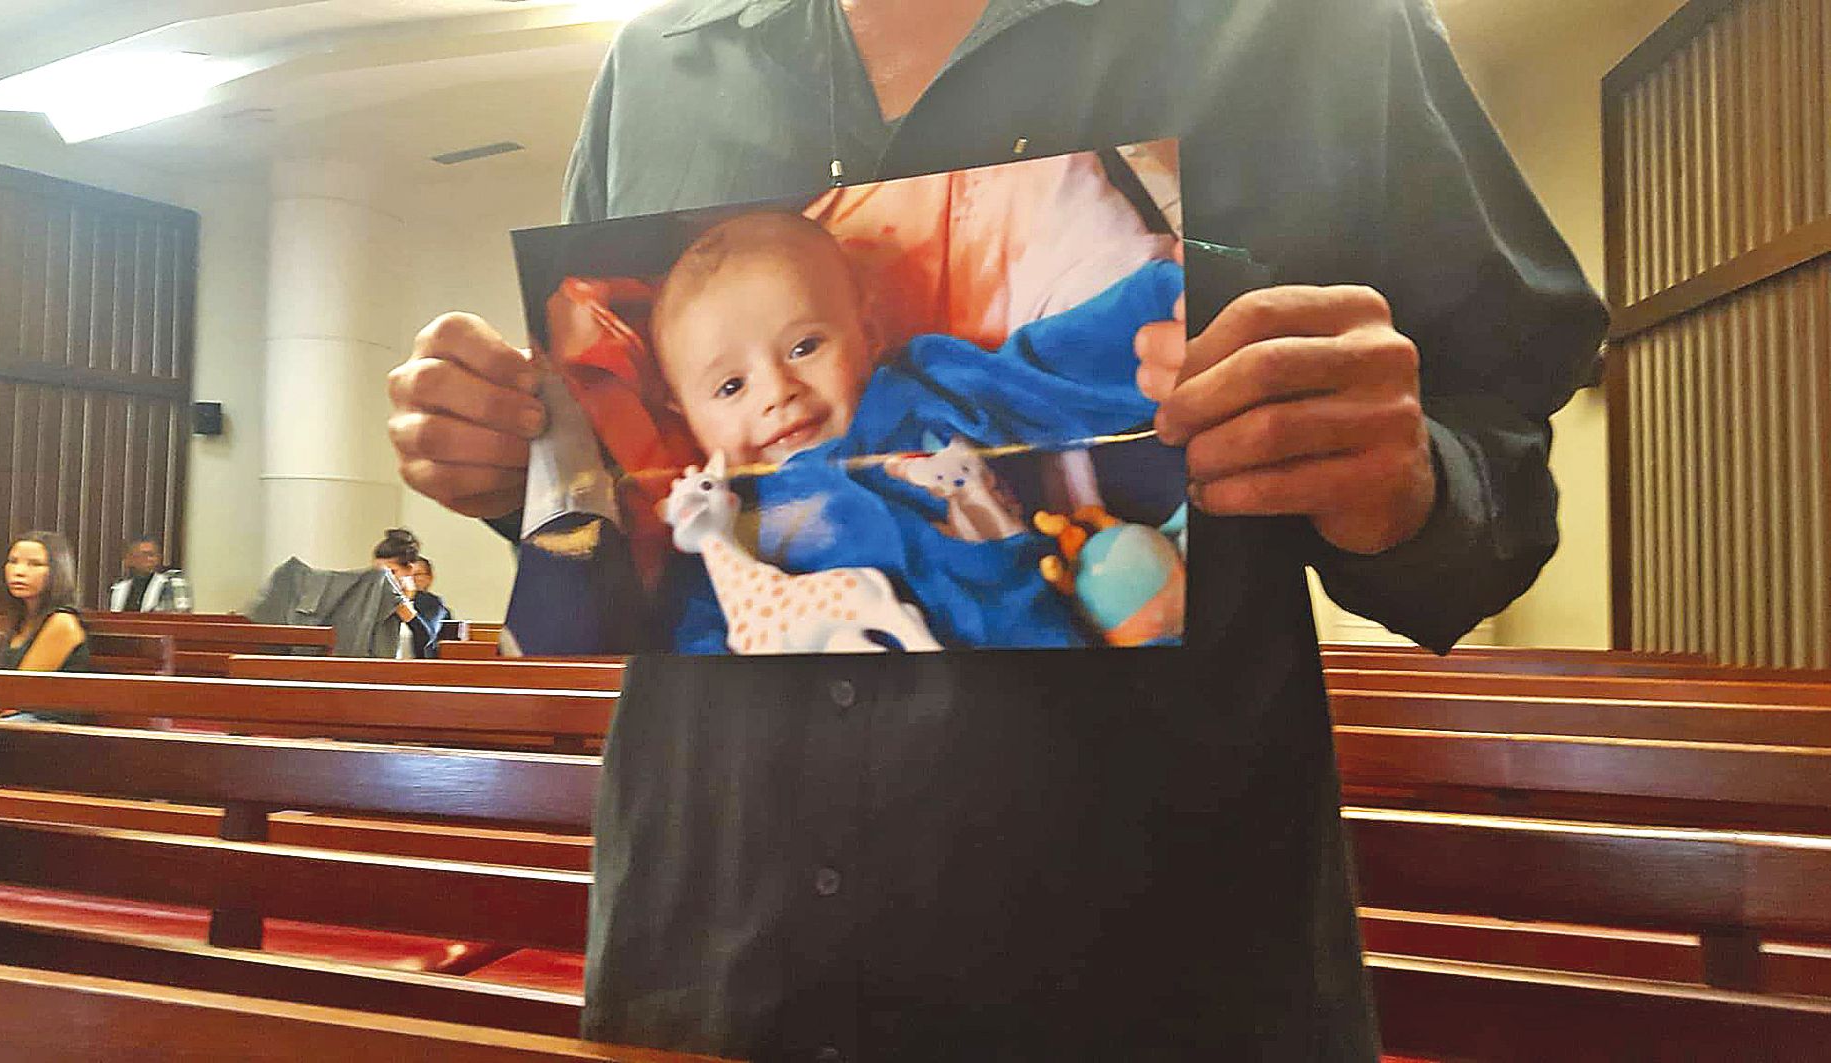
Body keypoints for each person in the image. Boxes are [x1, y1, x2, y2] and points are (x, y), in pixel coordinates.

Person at [387, 0, 1609, 1057]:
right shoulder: (657, 66)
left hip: (1148, 982)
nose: (778, 393)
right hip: (713, 971)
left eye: (807, 346)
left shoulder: (1305, 27)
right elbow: (616, 542)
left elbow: (1501, 434)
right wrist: (514, 475)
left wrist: (1415, 481)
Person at [648, 210, 1182, 650]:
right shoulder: (726, 533)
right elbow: (702, 660)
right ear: (684, 416)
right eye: (731, 387)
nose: (777, 392)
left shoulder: (927, 390)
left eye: (804, 347)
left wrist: (1164, 303)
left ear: (868, 333)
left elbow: (1044, 374)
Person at [0, 531, 91, 674]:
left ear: (57, 571)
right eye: (13, 561)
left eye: (35, 564)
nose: (19, 571)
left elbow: (20, 684)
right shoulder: (21, 620)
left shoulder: (62, 622)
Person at [371, 529, 433, 658]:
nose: (383, 579)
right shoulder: (370, 599)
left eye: (392, 572)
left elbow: (427, 641)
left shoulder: (428, 602)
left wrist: (405, 603)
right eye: (377, 573)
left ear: (409, 569)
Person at [106, 537, 193, 613]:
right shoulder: (119, 588)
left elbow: (180, 616)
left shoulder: (172, 583)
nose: (150, 559)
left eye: (153, 555)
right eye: (144, 555)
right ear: (129, 559)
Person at [407, 556, 452, 659]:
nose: (411, 579)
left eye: (417, 574)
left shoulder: (434, 604)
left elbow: (428, 636)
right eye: (407, 575)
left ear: (429, 578)